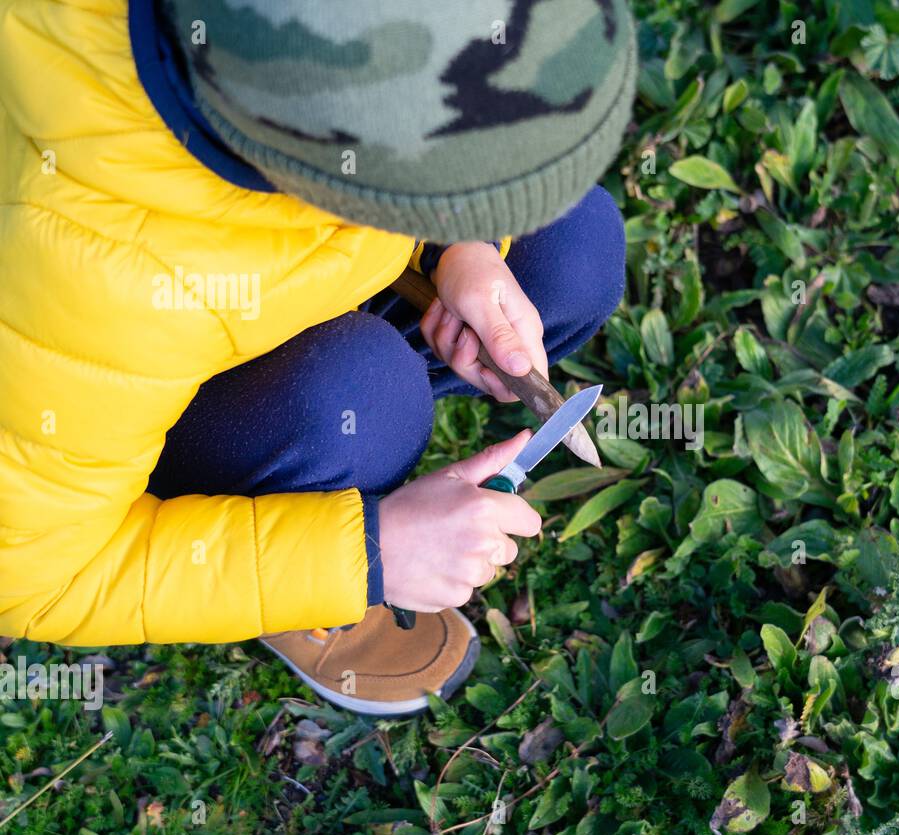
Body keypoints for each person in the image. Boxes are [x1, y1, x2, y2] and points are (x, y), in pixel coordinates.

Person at [0, 0, 636, 715]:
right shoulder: (93, 272)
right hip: (138, 388)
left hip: (285, 253)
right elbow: (37, 576)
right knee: (358, 400)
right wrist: (367, 552)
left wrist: (460, 245)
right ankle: (284, 548)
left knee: (569, 252)